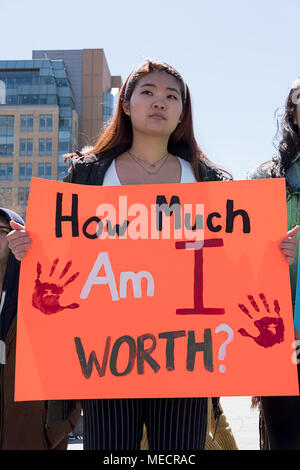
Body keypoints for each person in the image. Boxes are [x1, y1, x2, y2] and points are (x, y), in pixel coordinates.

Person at [7, 59, 297, 451]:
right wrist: (27, 250)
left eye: (171, 96)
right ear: (125, 104)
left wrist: (273, 255)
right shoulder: (87, 174)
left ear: (182, 112)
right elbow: (62, 259)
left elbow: (232, 264)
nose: (159, 101)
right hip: (105, 358)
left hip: (187, 361)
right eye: (148, 92)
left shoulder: (208, 179)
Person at [247, 77, 300, 450]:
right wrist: (268, 250)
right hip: (280, 334)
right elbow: (239, 254)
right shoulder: (265, 176)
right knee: (285, 437)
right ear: (292, 110)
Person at [0, 207, 80, 450]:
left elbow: (72, 352)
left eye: (2, 230)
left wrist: (58, 427)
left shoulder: (41, 286)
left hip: (30, 429)